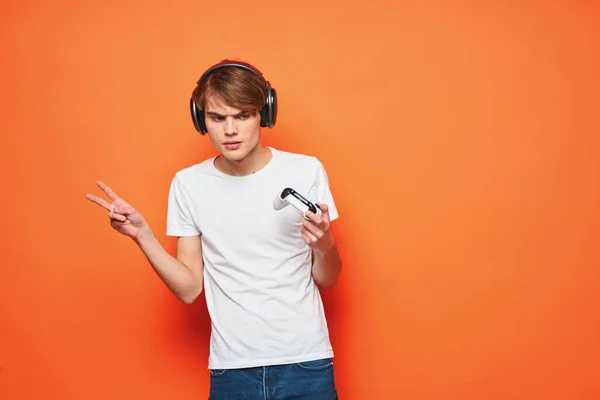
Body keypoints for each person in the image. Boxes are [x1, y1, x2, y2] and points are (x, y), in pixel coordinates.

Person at [86, 59, 342, 399]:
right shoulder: (188, 185)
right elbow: (190, 288)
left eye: (242, 116)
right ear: (200, 119)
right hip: (232, 370)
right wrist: (141, 234)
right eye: (217, 118)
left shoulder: (305, 171)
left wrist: (324, 245)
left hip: (306, 363)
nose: (230, 130)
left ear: (263, 114)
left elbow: (328, 277)